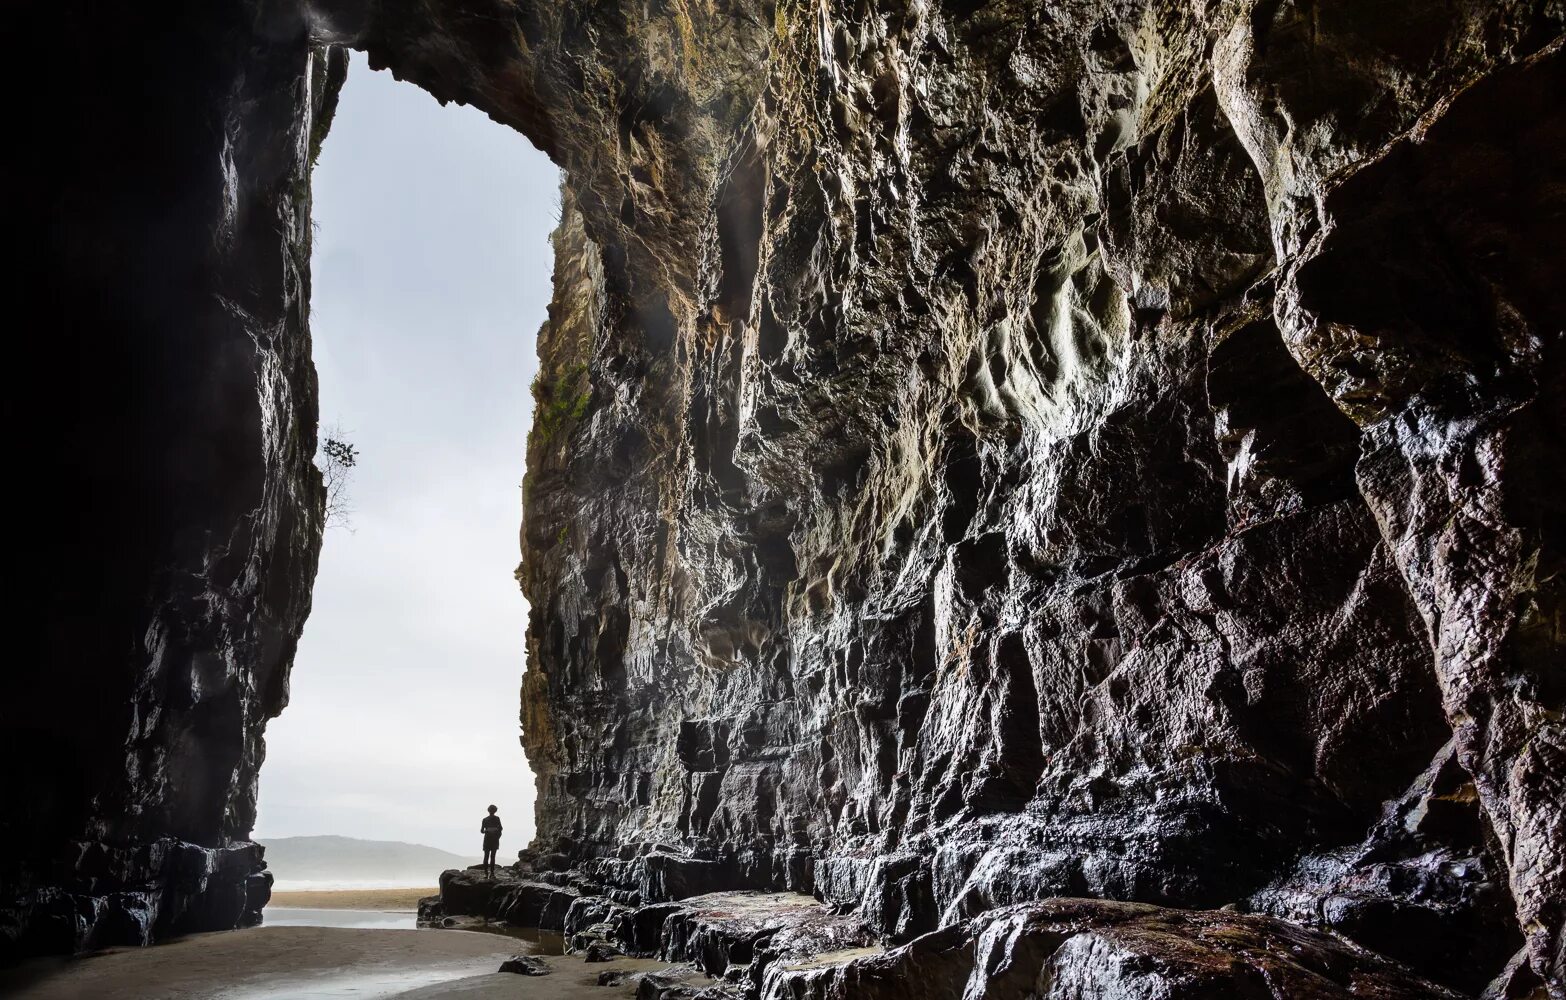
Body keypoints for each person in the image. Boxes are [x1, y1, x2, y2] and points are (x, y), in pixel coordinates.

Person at [480, 805, 503, 878]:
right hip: (495, 839)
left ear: (488, 810)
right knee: (493, 856)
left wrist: (487, 830)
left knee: (486, 856)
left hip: (487, 838)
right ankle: (492, 873)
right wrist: (495, 830)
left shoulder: (485, 819)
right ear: (495, 811)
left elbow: (481, 831)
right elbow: (501, 828)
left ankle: (486, 873)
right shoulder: (497, 819)